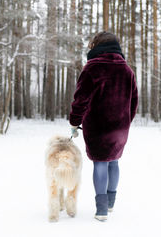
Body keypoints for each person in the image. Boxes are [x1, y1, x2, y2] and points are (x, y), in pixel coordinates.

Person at [69, 31, 138, 221]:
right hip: (120, 127)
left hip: (98, 126)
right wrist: (125, 121)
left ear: (96, 46)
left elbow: (80, 99)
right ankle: (110, 204)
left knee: (100, 162)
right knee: (114, 161)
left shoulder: (92, 68)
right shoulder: (127, 70)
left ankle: (101, 210)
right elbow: (134, 101)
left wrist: (75, 121)